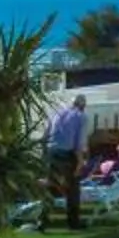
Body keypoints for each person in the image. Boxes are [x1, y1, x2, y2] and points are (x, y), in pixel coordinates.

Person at [45, 95, 91, 230]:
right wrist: (80, 163)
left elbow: (46, 135)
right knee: (73, 190)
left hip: (52, 152)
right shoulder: (81, 116)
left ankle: (43, 221)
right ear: (83, 105)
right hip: (67, 154)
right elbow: (79, 143)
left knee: (51, 187)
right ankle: (73, 223)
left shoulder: (57, 113)